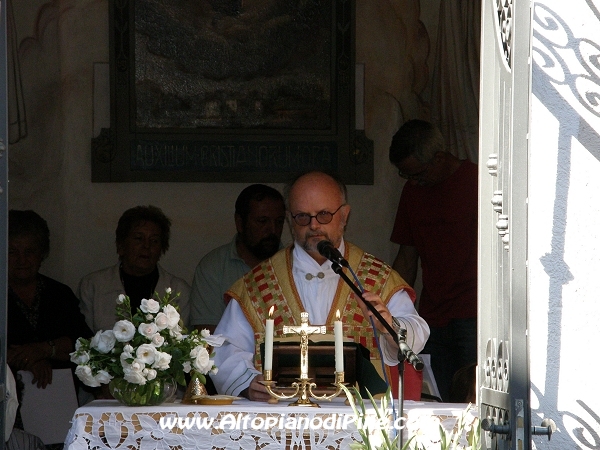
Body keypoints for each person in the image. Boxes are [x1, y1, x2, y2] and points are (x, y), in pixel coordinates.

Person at [211, 171, 430, 401]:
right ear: (290, 220)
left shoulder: (375, 278)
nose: (314, 225)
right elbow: (224, 349)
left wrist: (389, 326)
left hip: (358, 420)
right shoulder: (257, 284)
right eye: (303, 217)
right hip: (282, 419)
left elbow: (418, 331)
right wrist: (247, 382)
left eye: (324, 215)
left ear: (344, 216)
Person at [388, 119, 478, 402]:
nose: (413, 182)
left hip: (474, 315)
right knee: (437, 400)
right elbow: (407, 257)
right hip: (432, 317)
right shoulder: (413, 192)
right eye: (406, 175)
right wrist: (391, 305)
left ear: (439, 158)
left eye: (417, 174)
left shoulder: (478, 182)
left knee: (472, 401)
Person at [7, 210, 93, 389]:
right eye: (12, 252)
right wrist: (27, 361)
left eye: (29, 251)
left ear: (42, 254)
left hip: (59, 398)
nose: (21, 259)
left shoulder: (59, 294)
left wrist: (44, 349)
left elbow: (83, 344)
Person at [78, 205, 191, 333]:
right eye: (139, 238)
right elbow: (84, 339)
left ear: (161, 249)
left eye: (154, 241)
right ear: (121, 244)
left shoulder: (178, 290)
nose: (146, 246)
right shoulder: (93, 285)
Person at [190, 184, 286, 333]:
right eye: (262, 221)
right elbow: (207, 337)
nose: (272, 230)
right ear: (240, 222)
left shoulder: (293, 263)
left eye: (279, 222)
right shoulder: (213, 267)